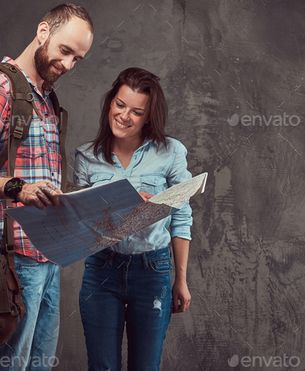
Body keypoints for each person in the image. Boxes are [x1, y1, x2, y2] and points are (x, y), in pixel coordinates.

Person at [0, 4, 93, 370]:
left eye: (78, 59)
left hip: (48, 256)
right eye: (65, 51)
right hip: (11, 257)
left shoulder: (46, 99)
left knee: (39, 366)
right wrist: (20, 189)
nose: (68, 65)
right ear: (43, 31)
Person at [74, 67, 193, 371]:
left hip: (152, 271)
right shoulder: (86, 156)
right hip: (102, 268)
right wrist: (112, 208)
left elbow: (181, 218)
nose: (124, 116)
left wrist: (180, 279)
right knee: (102, 366)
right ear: (110, 103)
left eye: (137, 112)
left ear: (149, 117)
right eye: (120, 105)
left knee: (146, 366)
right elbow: (79, 223)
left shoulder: (171, 152)